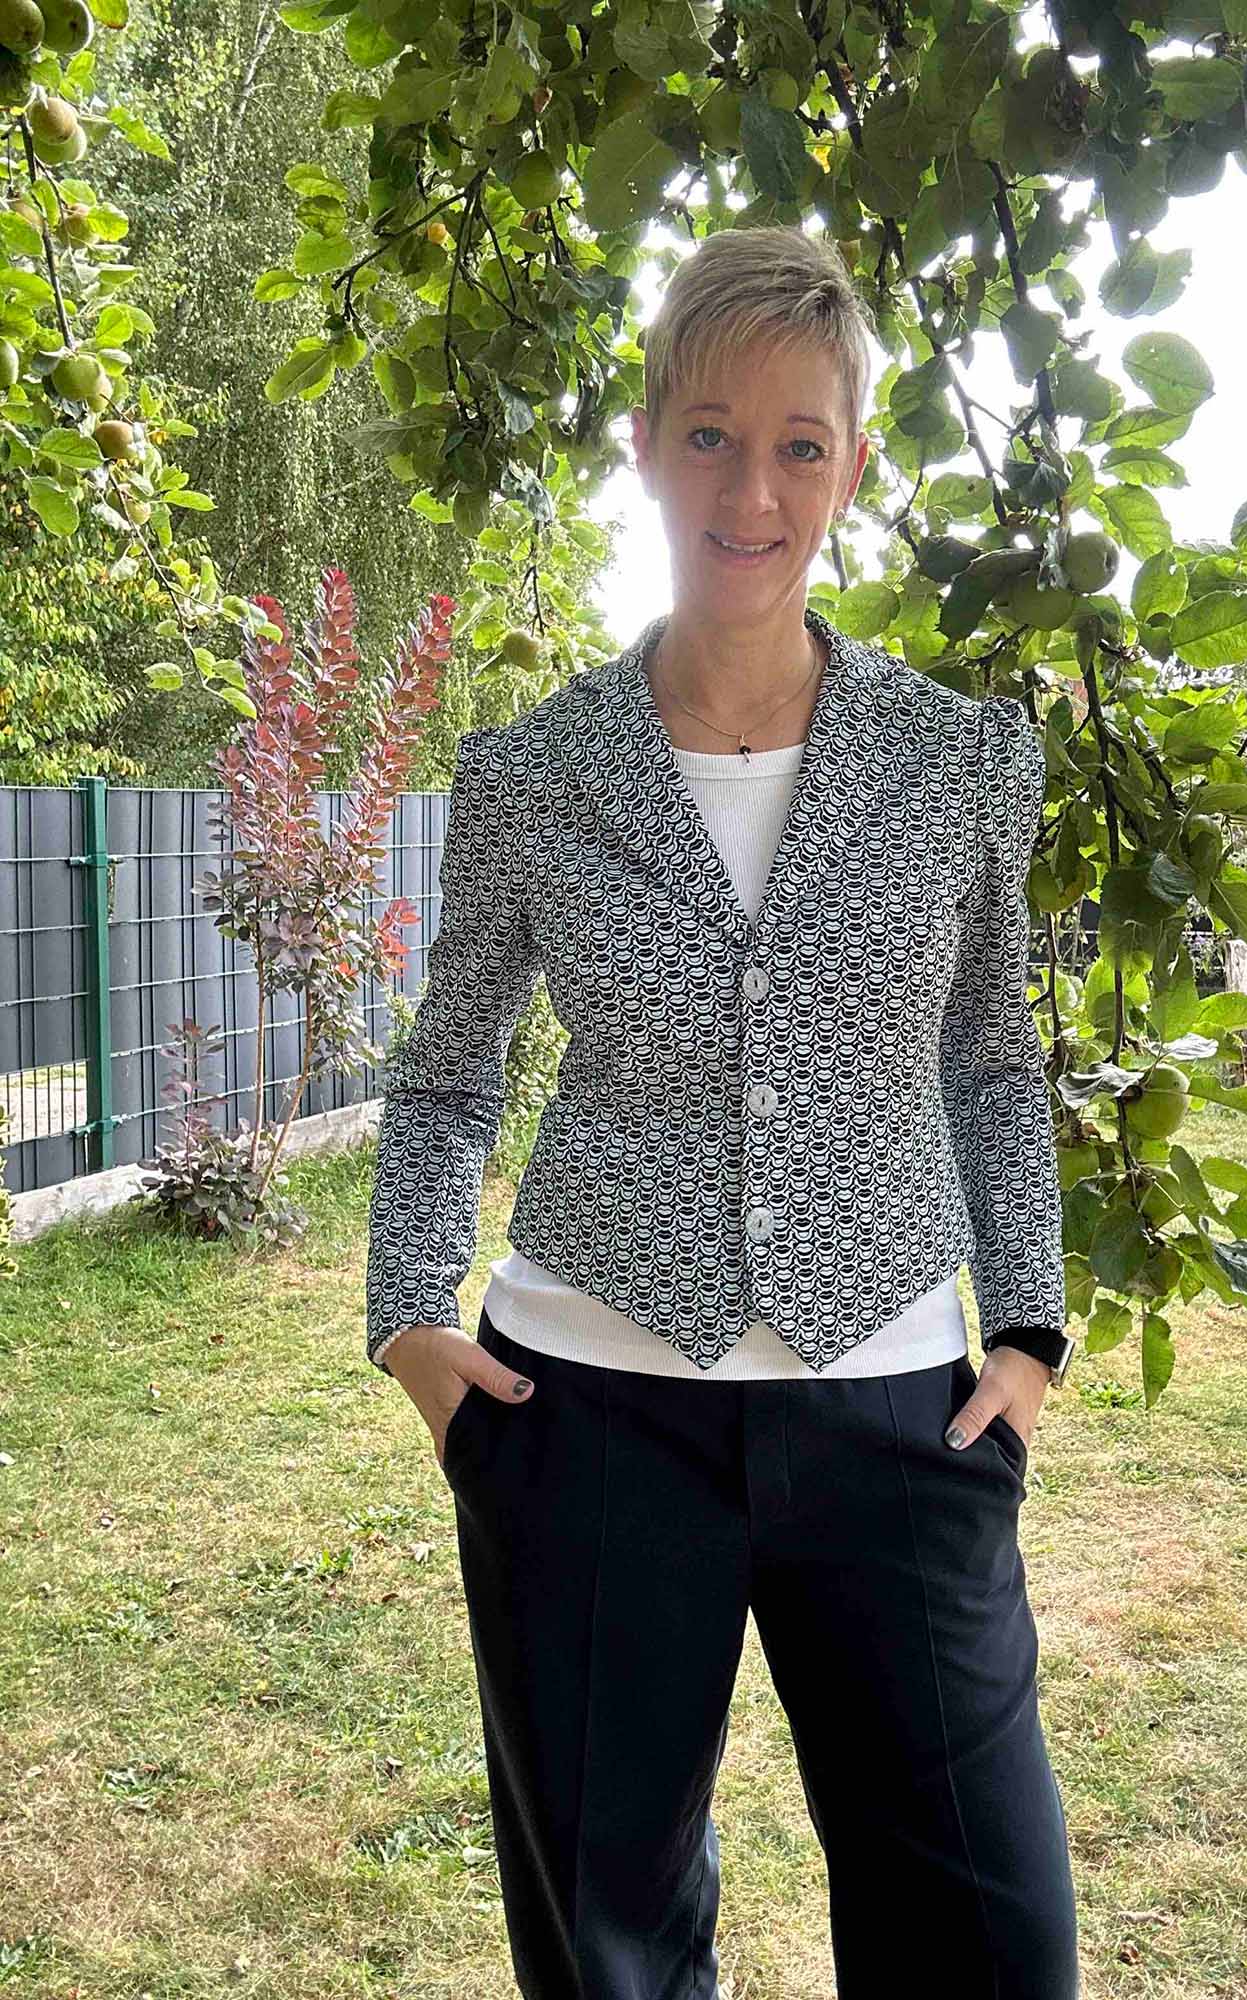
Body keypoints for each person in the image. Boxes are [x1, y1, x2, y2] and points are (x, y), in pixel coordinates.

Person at [365, 223, 1080, 2000]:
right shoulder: (534, 774)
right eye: (708, 434)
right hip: (588, 1416)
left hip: (901, 1415)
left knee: (994, 1943)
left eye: (798, 445)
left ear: (853, 467)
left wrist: (1029, 1327)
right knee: (609, 1956)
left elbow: (993, 1056)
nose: (749, 492)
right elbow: (449, 1072)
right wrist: (410, 1324)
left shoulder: (960, 762)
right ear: (646, 445)